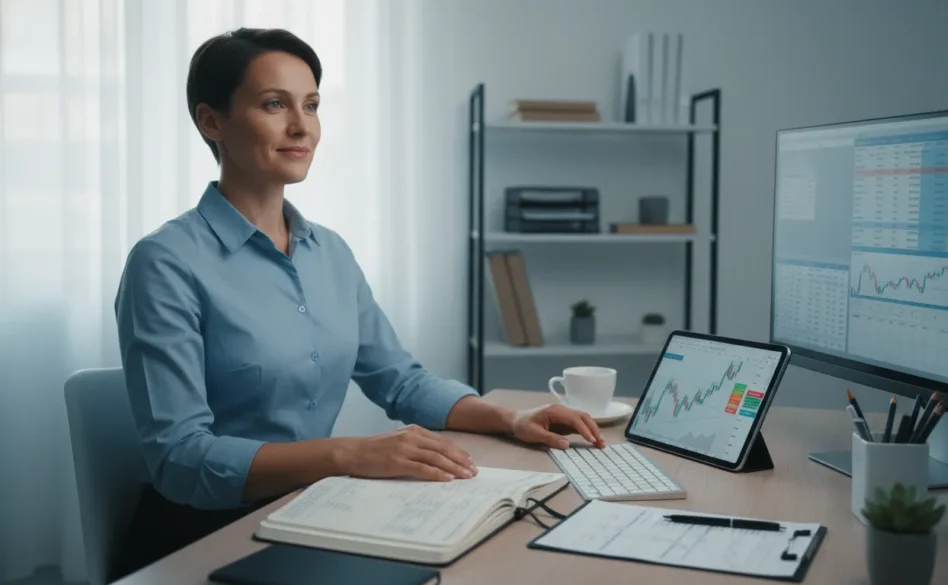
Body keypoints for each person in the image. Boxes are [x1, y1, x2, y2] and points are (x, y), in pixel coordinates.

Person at [111, 27, 605, 579]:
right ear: (212, 121)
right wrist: (349, 455)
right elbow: (180, 460)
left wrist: (511, 417)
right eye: (275, 104)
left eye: (312, 105)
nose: (302, 127)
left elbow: (401, 381)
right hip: (204, 537)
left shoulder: (330, 253)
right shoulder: (165, 262)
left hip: (311, 509)